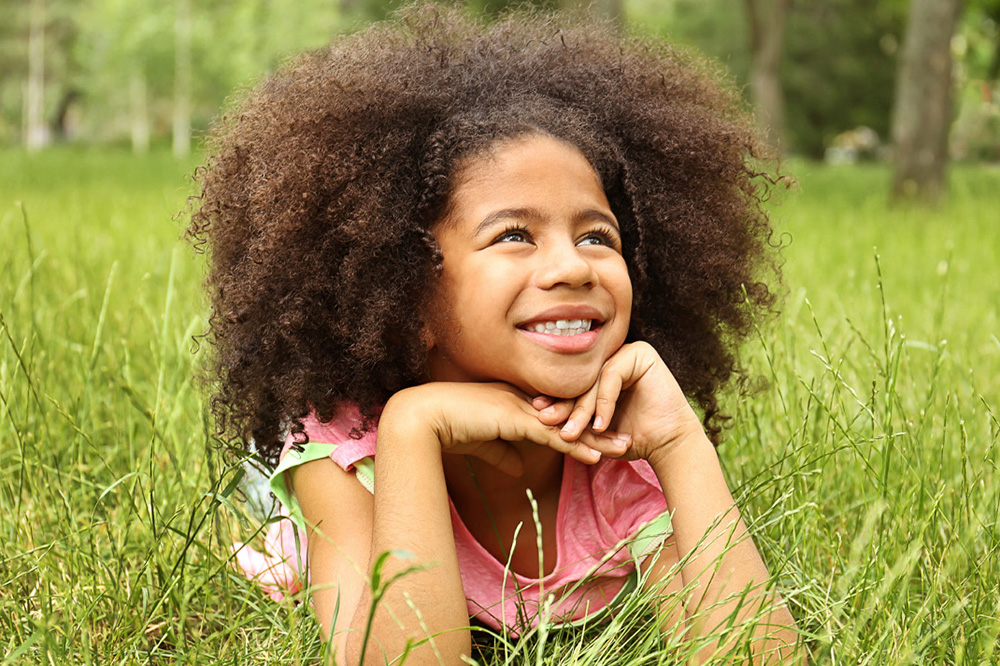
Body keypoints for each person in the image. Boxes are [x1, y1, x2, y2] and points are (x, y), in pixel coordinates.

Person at [189, 3, 800, 663]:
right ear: (407, 293)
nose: (572, 267)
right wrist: (413, 430)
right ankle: (263, 482)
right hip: (342, 466)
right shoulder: (347, 450)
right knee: (271, 485)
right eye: (514, 235)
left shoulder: (619, 446)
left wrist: (682, 443)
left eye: (598, 235)